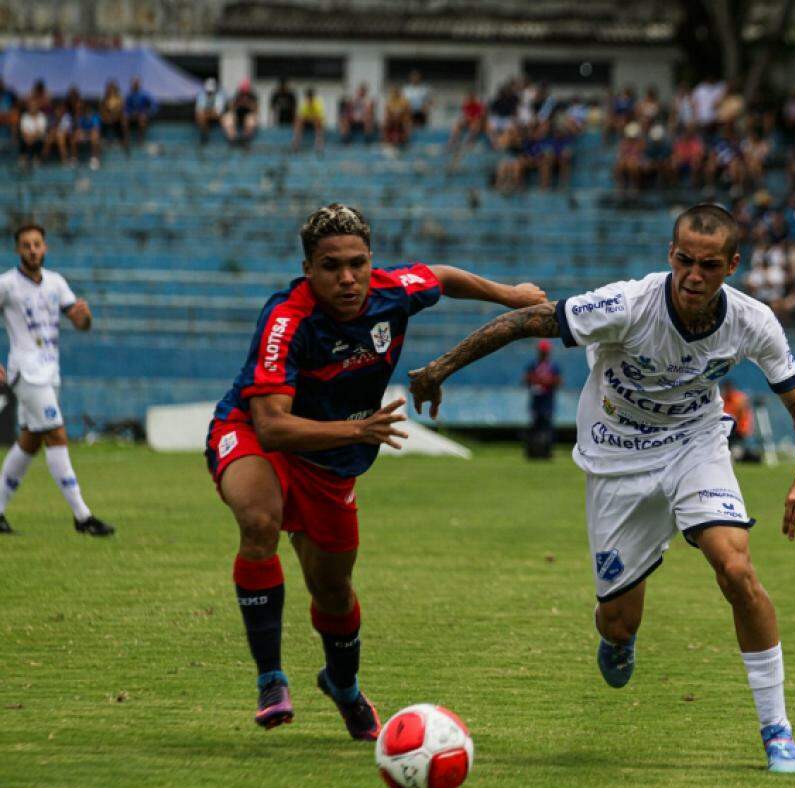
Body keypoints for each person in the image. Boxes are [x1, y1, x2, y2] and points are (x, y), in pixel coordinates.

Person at [407, 204, 795, 775]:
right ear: (669, 255)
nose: (693, 276)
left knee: (736, 569)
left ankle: (777, 730)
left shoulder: (754, 321)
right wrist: (438, 369)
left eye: (708, 265)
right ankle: (619, 636)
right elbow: (523, 322)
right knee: (618, 621)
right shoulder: (626, 305)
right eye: (683, 261)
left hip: (695, 448)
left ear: (732, 265)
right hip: (616, 461)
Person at [204, 204, 545, 738]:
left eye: (357, 263)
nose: (347, 278)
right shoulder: (286, 319)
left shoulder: (393, 291)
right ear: (308, 269)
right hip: (256, 432)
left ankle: (343, 686)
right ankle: (271, 678)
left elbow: (444, 277)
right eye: (331, 265)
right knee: (259, 520)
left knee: (334, 588)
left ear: (371, 261)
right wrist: (357, 431)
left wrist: (509, 294)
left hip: (333, 462)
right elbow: (272, 426)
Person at [0, 224, 114, 537]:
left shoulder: (56, 282)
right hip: (26, 372)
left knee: (30, 442)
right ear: (18, 250)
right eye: (26, 245)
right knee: (58, 435)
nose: (32, 250)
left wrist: (84, 316)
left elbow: (80, 322)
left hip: (50, 373)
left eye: (37, 244)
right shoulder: (7, 285)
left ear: (45, 248)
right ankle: (82, 516)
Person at [523, 339, 561, 459]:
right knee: (534, 426)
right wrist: (536, 380)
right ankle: (532, 451)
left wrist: (546, 382)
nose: (543, 354)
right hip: (536, 400)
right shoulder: (533, 365)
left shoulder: (553, 366)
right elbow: (526, 379)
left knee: (547, 427)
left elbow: (558, 381)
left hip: (548, 400)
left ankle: (547, 452)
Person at [123, 77, 157, 145]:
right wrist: (130, 113)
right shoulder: (129, 95)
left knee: (142, 118)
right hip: (132, 115)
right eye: (133, 83)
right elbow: (125, 107)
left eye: (136, 83)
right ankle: (125, 138)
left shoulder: (145, 95)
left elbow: (154, 106)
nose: (135, 85)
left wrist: (147, 112)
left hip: (143, 115)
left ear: (139, 84)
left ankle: (140, 138)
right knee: (124, 118)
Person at [195, 79, 226, 145]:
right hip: (207, 116)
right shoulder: (201, 95)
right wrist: (208, 112)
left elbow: (218, 112)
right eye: (208, 92)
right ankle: (204, 135)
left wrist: (207, 112)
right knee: (200, 116)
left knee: (202, 115)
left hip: (216, 117)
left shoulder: (220, 95)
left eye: (211, 92)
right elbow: (199, 110)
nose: (209, 93)